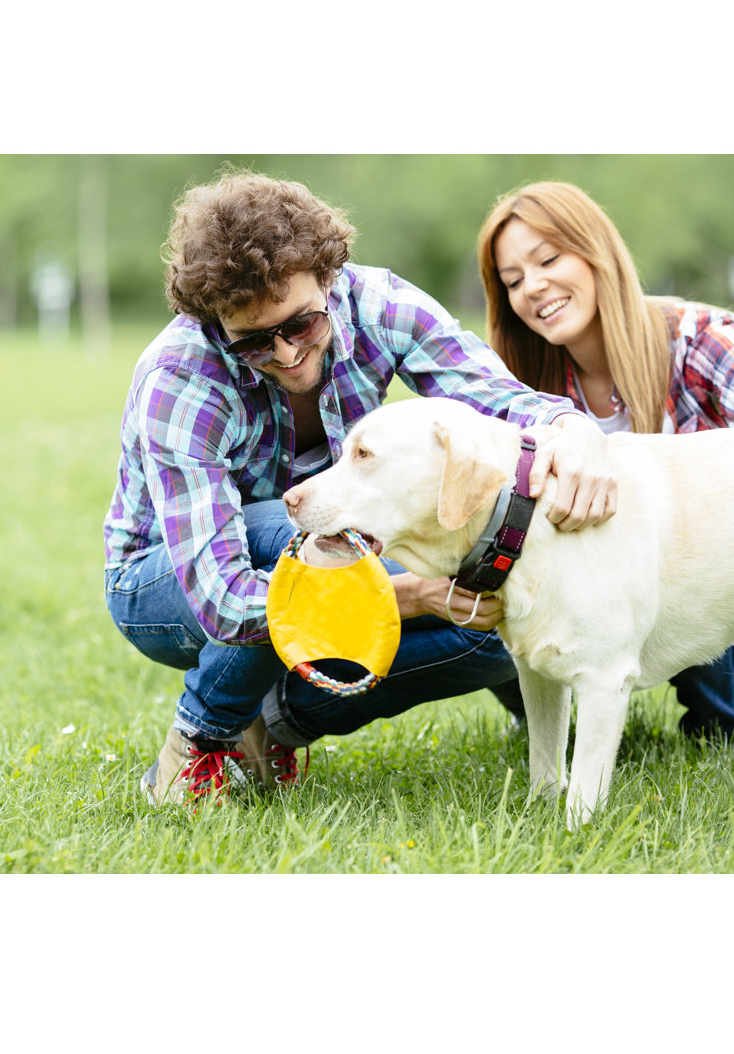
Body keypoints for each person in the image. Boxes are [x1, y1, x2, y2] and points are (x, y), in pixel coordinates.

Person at [104, 169, 618, 805]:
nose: (287, 355)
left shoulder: (382, 306)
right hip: (164, 585)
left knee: (490, 599)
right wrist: (416, 595)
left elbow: (494, 399)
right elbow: (224, 600)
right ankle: (198, 742)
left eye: (301, 326)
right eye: (254, 343)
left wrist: (575, 429)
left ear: (329, 278)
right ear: (216, 325)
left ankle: (279, 723)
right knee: (288, 533)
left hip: (331, 545)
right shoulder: (180, 379)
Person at [476, 180, 734, 746]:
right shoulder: (527, 392)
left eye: (548, 259)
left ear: (595, 251)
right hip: (595, 602)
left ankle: (720, 728)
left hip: (733, 595)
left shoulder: (691, 336)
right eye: (513, 280)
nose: (534, 287)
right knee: (497, 602)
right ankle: (550, 718)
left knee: (672, 550)